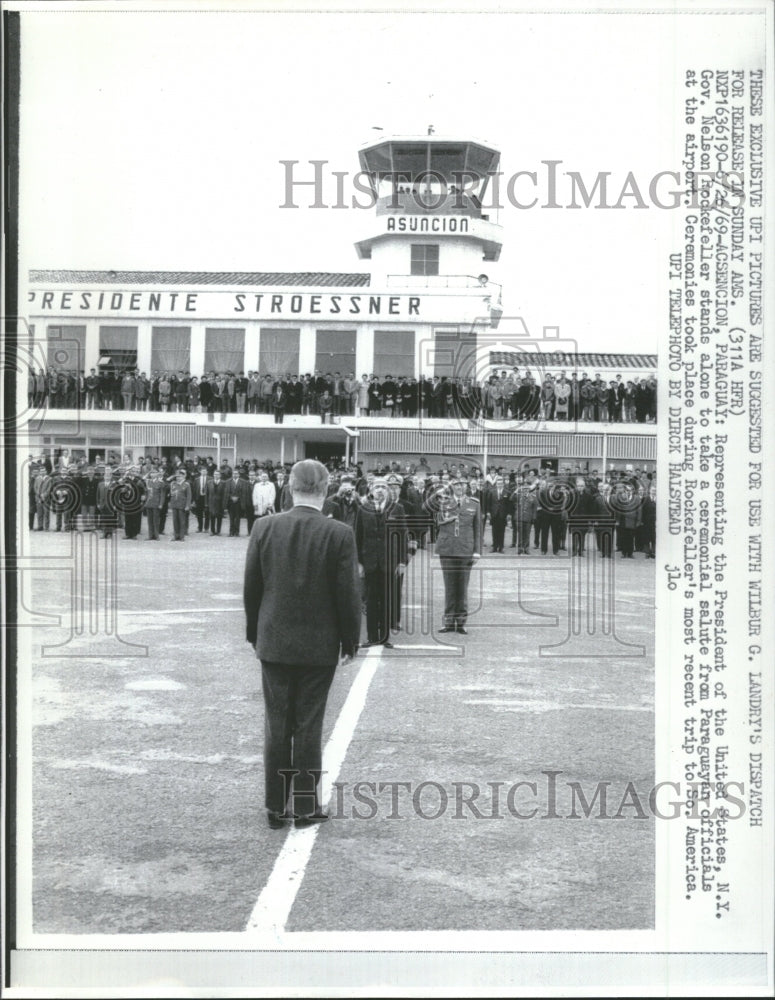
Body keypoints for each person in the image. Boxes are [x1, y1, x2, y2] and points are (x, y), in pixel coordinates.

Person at [243, 459, 361, 829]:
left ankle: (276, 807)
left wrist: (254, 633)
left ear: (289, 487)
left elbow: (252, 588)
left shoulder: (265, 526)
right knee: (308, 725)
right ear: (325, 489)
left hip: (274, 640)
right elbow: (348, 595)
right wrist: (349, 641)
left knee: (276, 724)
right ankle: (306, 807)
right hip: (318, 644)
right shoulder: (339, 533)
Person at [355, 477, 407, 648]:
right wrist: (359, 563)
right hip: (369, 560)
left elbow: (403, 537)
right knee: (371, 599)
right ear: (370, 490)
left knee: (386, 599)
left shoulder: (397, 509)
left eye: (383, 487)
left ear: (387, 491)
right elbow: (358, 536)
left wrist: (402, 561)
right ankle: (372, 637)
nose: (380, 490)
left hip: (389, 562)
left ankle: (384, 638)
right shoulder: (363, 509)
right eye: (376, 487)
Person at [434, 477, 482, 634]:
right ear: (451, 486)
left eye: (462, 484)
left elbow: (478, 529)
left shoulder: (474, 504)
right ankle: (448, 621)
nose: (459, 487)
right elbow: (437, 520)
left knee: (462, 587)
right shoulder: (443, 502)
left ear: (467, 486)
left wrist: (477, 551)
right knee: (450, 587)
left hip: (465, 550)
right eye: (456, 484)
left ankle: (460, 622)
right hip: (447, 549)